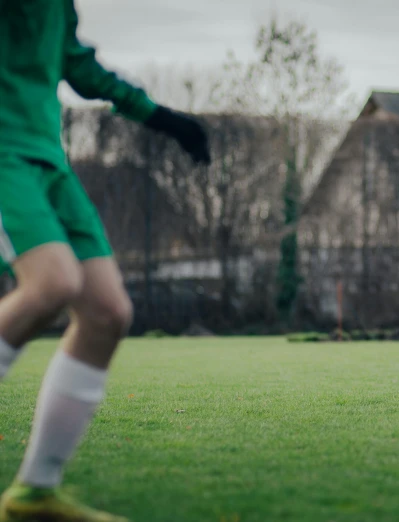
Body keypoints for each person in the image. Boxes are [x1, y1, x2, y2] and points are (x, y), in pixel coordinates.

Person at [0, 1, 211, 520]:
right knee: (51, 284)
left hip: (47, 158)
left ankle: (35, 493)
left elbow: (74, 62)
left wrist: (160, 116)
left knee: (107, 312)